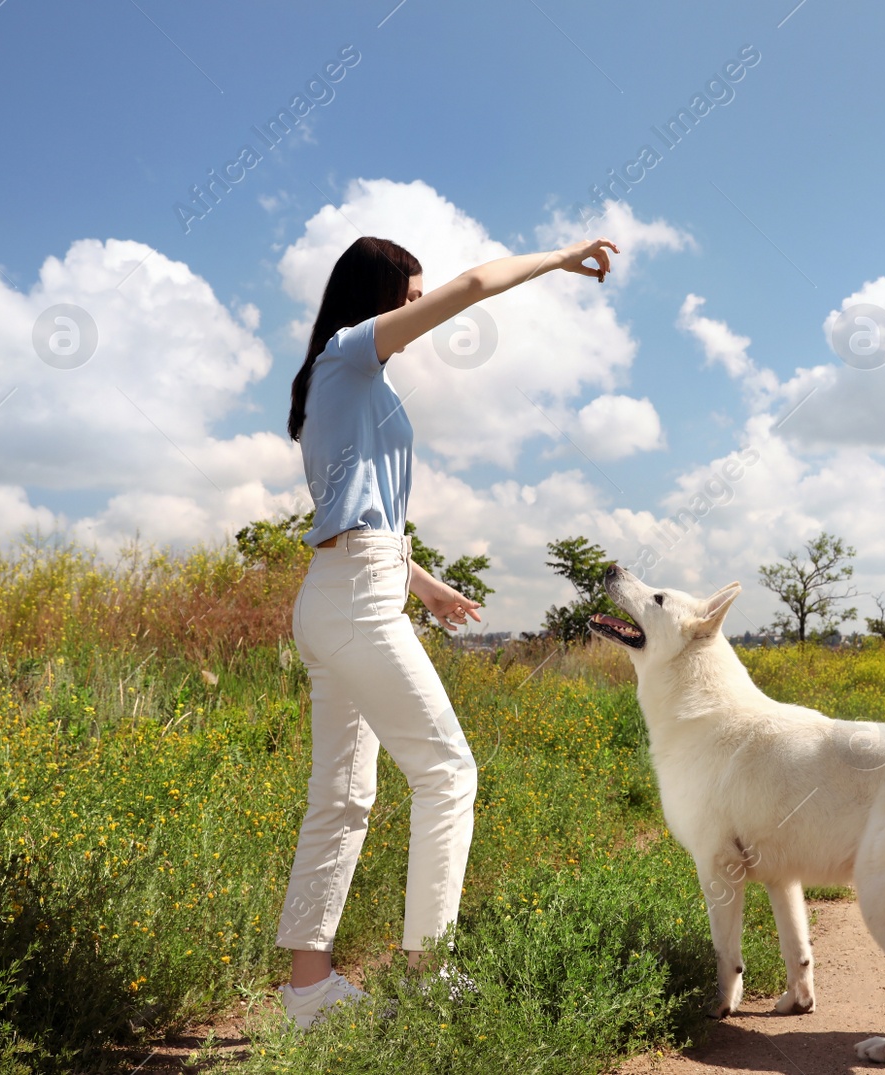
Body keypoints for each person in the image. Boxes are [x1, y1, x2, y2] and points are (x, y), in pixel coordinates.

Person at [275, 232, 619, 1029]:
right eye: (407, 295)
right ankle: (428, 976)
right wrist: (561, 258)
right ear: (379, 295)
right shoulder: (349, 352)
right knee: (448, 773)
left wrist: (422, 585)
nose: (415, 308)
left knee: (343, 793)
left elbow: (356, 514)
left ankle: (308, 990)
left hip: (342, 591)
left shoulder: (342, 380)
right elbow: (472, 285)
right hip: (356, 599)